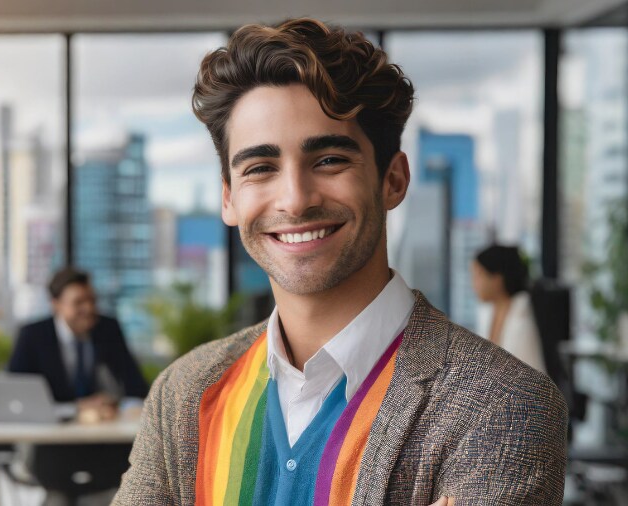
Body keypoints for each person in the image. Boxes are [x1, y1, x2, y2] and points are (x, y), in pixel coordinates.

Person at [114, 18, 566, 505]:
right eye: (261, 168)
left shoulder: (502, 405)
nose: (294, 200)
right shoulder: (183, 394)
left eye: (329, 160)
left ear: (392, 180)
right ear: (228, 199)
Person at [7, 267, 148, 418]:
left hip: (102, 428)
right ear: (56, 304)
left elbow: (136, 387)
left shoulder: (108, 329)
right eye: (78, 302)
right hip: (51, 430)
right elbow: (17, 394)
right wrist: (76, 407)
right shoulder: (33, 335)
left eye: (92, 300)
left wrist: (113, 401)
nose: (88, 308)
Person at [470, 244, 547, 373]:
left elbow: (534, 377)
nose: (473, 284)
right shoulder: (486, 314)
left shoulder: (523, 318)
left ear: (497, 279)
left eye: (478, 275)